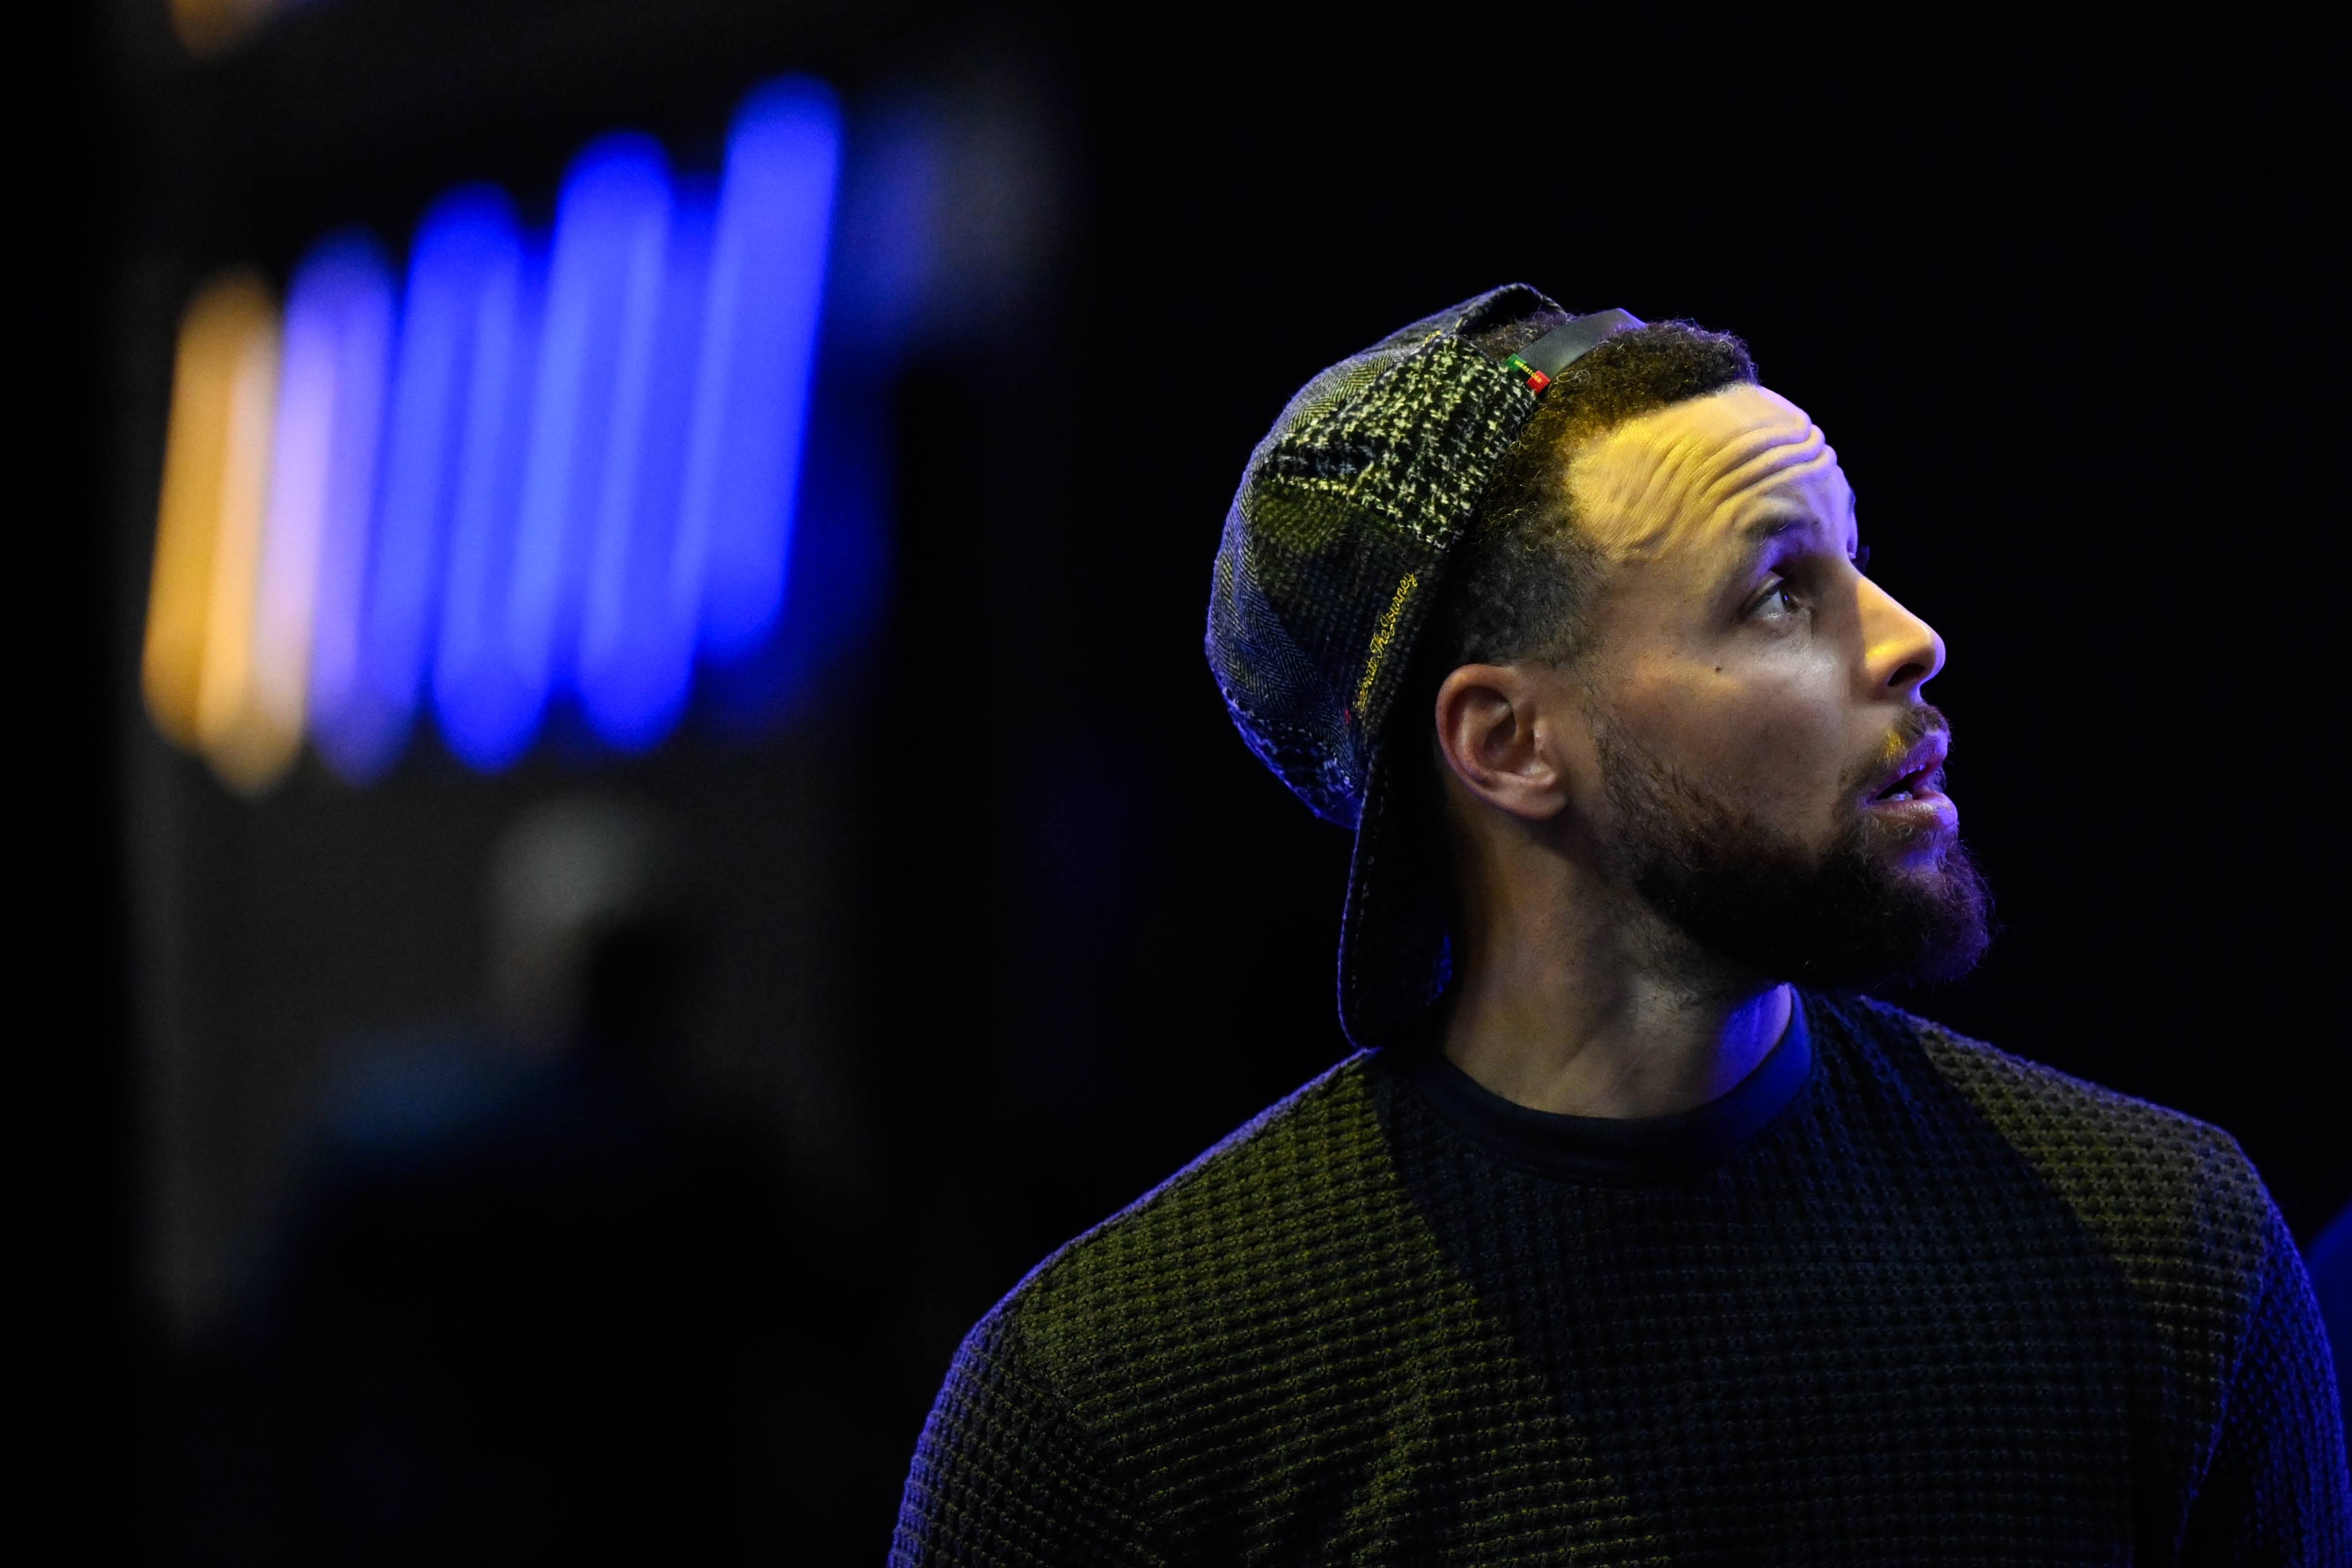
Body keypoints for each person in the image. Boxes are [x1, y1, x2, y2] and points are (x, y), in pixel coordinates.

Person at [890, 286, 2350, 1563]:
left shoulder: (2166, 1256)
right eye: (1778, 595)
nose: (1911, 638)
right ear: (1510, 742)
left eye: (1855, 559)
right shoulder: (1119, 1408)